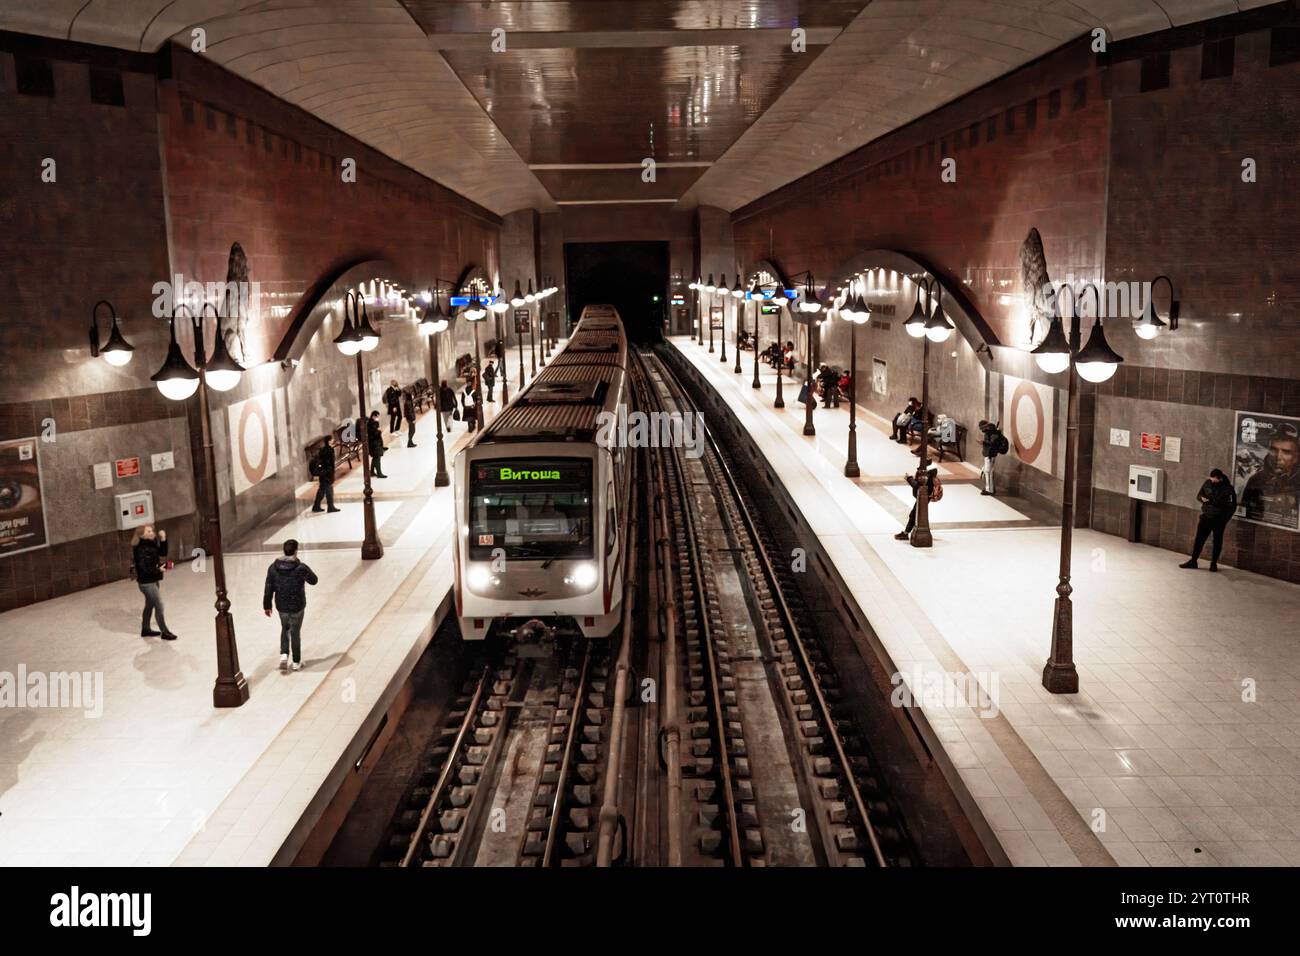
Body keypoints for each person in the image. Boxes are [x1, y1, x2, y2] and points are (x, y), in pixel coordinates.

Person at [263, 538, 318, 672]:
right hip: (297, 605)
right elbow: (314, 580)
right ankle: (296, 662)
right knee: (295, 632)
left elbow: (268, 587)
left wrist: (267, 605)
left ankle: (283, 655)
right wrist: (304, 572)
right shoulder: (300, 568)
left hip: (281, 605)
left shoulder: (273, 568)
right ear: (296, 551)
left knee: (285, 627)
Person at [1241, 423, 1300, 526]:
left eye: (1286, 452)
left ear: (1296, 457)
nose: (1278, 457)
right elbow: (1245, 514)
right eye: (1274, 450)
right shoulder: (1255, 479)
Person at [1181, 468, 1238, 571]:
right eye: (1211, 478)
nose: (1212, 480)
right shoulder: (1207, 483)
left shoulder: (1228, 489)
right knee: (1199, 539)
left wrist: (1224, 520)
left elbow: (1232, 506)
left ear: (1219, 478)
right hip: (1206, 517)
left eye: (1214, 479)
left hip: (1219, 520)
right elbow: (1199, 495)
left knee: (1217, 541)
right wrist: (1202, 499)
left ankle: (1214, 564)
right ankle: (1193, 561)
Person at [132, 525, 177, 640]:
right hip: (147, 583)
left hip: (153, 580)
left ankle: (146, 629)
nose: (152, 533)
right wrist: (159, 569)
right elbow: (144, 567)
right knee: (159, 606)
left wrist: (163, 539)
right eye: (149, 531)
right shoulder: (141, 548)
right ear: (142, 535)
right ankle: (165, 632)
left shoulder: (151, 543)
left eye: (152, 531)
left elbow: (162, 552)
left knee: (150, 605)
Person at [895, 456, 941, 540]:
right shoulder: (932, 471)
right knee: (917, 513)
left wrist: (909, 479)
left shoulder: (925, 473)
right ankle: (912, 531)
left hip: (924, 496)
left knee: (914, 514)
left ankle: (906, 533)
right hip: (927, 496)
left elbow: (918, 486)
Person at [311, 435, 341, 513]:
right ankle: (330, 507)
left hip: (323, 473)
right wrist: (330, 473)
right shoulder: (329, 450)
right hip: (327, 473)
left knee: (322, 490)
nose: (333, 440)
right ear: (328, 441)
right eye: (332, 439)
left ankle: (316, 506)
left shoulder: (324, 449)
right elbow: (328, 464)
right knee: (328, 490)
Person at [978, 419, 1009, 496]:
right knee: (987, 471)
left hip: (990, 455)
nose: (981, 430)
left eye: (981, 428)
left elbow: (993, 443)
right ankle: (989, 488)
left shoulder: (993, 432)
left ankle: (990, 490)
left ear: (985, 426)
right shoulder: (989, 432)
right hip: (988, 454)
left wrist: (983, 442)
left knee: (988, 472)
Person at [367, 410, 387, 478]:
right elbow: (374, 434)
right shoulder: (372, 424)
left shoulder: (372, 423)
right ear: (373, 416)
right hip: (374, 444)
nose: (378, 418)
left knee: (375, 458)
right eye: (377, 416)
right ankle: (379, 473)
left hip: (374, 443)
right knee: (377, 458)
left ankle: (372, 472)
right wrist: (379, 431)